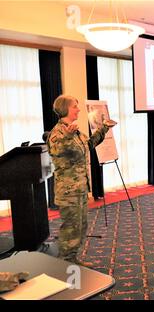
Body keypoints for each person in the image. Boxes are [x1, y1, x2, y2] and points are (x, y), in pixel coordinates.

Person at [47, 95, 116, 266]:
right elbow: (56, 151)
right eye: (74, 107)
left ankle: (72, 259)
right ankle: (65, 262)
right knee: (70, 227)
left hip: (80, 188)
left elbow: (90, 144)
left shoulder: (76, 131)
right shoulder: (57, 133)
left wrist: (104, 129)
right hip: (68, 191)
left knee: (80, 226)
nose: (78, 109)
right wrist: (68, 137)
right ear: (65, 109)